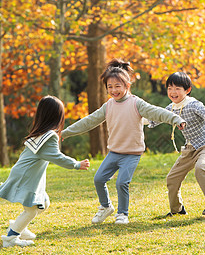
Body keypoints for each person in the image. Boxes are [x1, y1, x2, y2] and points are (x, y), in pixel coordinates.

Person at [61, 59, 186, 225]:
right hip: (114, 152)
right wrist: (65, 133)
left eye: (117, 86)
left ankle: (122, 214)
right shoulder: (108, 106)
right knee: (98, 179)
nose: (113, 90)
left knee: (122, 182)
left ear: (127, 85)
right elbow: (89, 121)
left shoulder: (136, 103)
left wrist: (176, 119)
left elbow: (157, 112)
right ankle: (106, 207)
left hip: (131, 154)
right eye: (110, 87)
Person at [0, 96, 90, 248]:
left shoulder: (41, 133)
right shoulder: (49, 137)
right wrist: (76, 164)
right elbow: (57, 157)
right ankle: (11, 238)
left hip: (25, 174)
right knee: (31, 211)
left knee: (44, 203)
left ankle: (19, 226)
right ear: (57, 117)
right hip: (26, 176)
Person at [148, 72, 205, 217]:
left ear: (187, 90)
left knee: (201, 167)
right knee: (172, 178)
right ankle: (177, 210)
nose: (173, 92)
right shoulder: (171, 108)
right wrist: (135, 118)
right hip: (190, 149)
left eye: (177, 89)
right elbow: (156, 118)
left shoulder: (194, 105)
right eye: (170, 88)